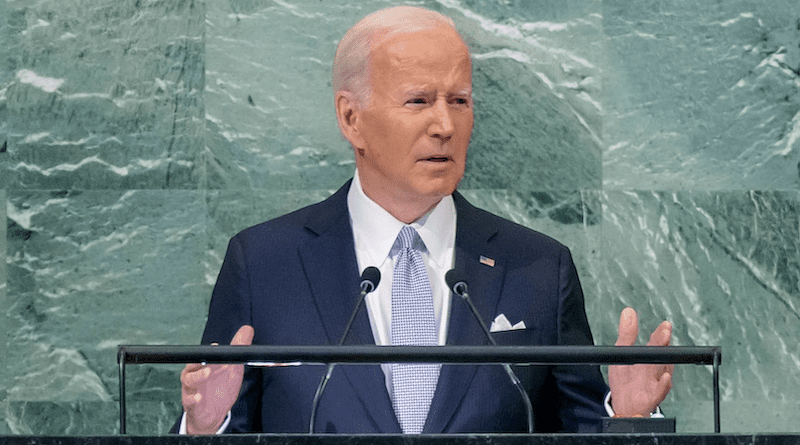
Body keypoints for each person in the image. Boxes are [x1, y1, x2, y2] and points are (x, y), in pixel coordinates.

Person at [178, 6, 673, 435]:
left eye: (459, 101)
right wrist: (205, 427)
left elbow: (579, 429)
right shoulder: (265, 263)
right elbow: (225, 422)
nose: (445, 125)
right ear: (352, 119)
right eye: (419, 101)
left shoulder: (538, 267)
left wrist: (627, 416)